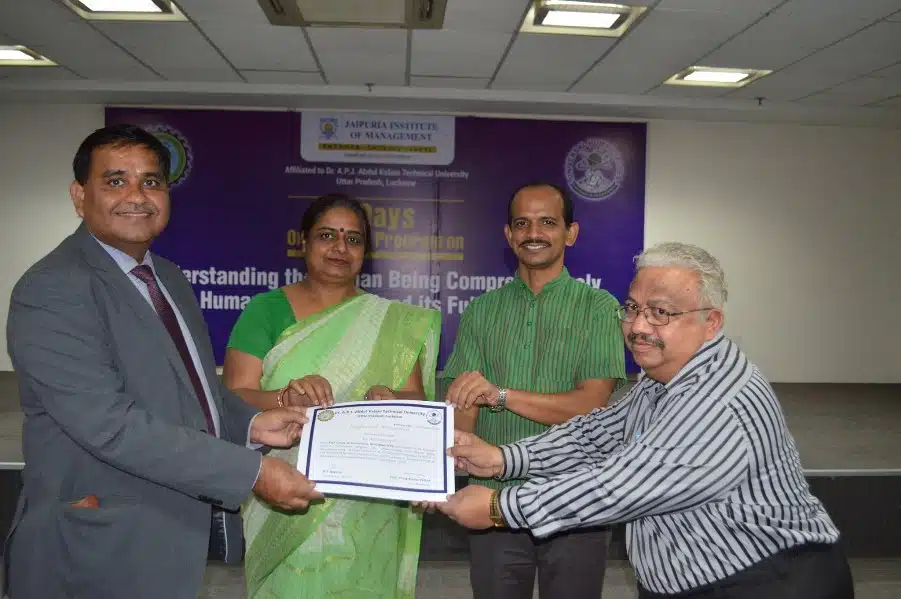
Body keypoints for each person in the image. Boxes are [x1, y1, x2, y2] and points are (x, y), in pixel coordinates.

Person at [3, 124, 323, 599]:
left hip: (167, 536)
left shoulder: (167, 278)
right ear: (79, 196)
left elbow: (193, 388)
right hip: (94, 546)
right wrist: (251, 473)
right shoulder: (53, 287)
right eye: (116, 181)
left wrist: (252, 424)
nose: (136, 196)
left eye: (151, 181)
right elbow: (109, 425)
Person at [437, 242, 855, 599]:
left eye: (660, 313)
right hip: (693, 576)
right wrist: (504, 459)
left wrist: (499, 507)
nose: (638, 326)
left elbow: (618, 487)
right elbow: (598, 433)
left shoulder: (714, 402)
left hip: (764, 581)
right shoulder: (664, 375)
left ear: (710, 322)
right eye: (634, 308)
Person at [222, 193, 442, 599]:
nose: (340, 247)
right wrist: (284, 397)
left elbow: (416, 400)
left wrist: (391, 398)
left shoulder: (393, 321)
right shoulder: (265, 311)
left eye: (353, 239)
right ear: (303, 242)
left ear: (365, 252)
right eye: (327, 235)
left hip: (370, 502)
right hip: (285, 492)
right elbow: (233, 399)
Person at [440, 181, 626, 599]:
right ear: (509, 235)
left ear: (570, 233)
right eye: (522, 224)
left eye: (547, 222)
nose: (534, 233)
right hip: (494, 501)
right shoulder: (481, 311)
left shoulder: (599, 308)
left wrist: (500, 395)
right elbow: (463, 409)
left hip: (576, 499)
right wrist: (439, 463)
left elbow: (590, 406)